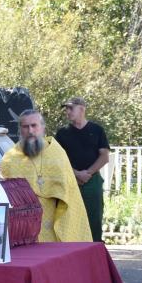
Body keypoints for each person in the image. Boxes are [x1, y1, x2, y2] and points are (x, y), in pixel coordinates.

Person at [0, 110, 91, 243]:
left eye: (34, 125)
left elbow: (69, 191)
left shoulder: (57, 153)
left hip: (52, 222)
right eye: (25, 127)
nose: (30, 130)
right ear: (20, 130)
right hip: (23, 228)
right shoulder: (10, 158)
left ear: (42, 128)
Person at [55, 97, 111, 243]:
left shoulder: (97, 130)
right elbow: (58, 159)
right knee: (69, 218)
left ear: (82, 109)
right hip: (70, 180)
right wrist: (76, 173)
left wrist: (88, 173)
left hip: (92, 180)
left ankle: (96, 252)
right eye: (66, 109)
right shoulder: (62, 133)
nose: (67, 111)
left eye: (70, 108)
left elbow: (104, 156)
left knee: (94, 218)